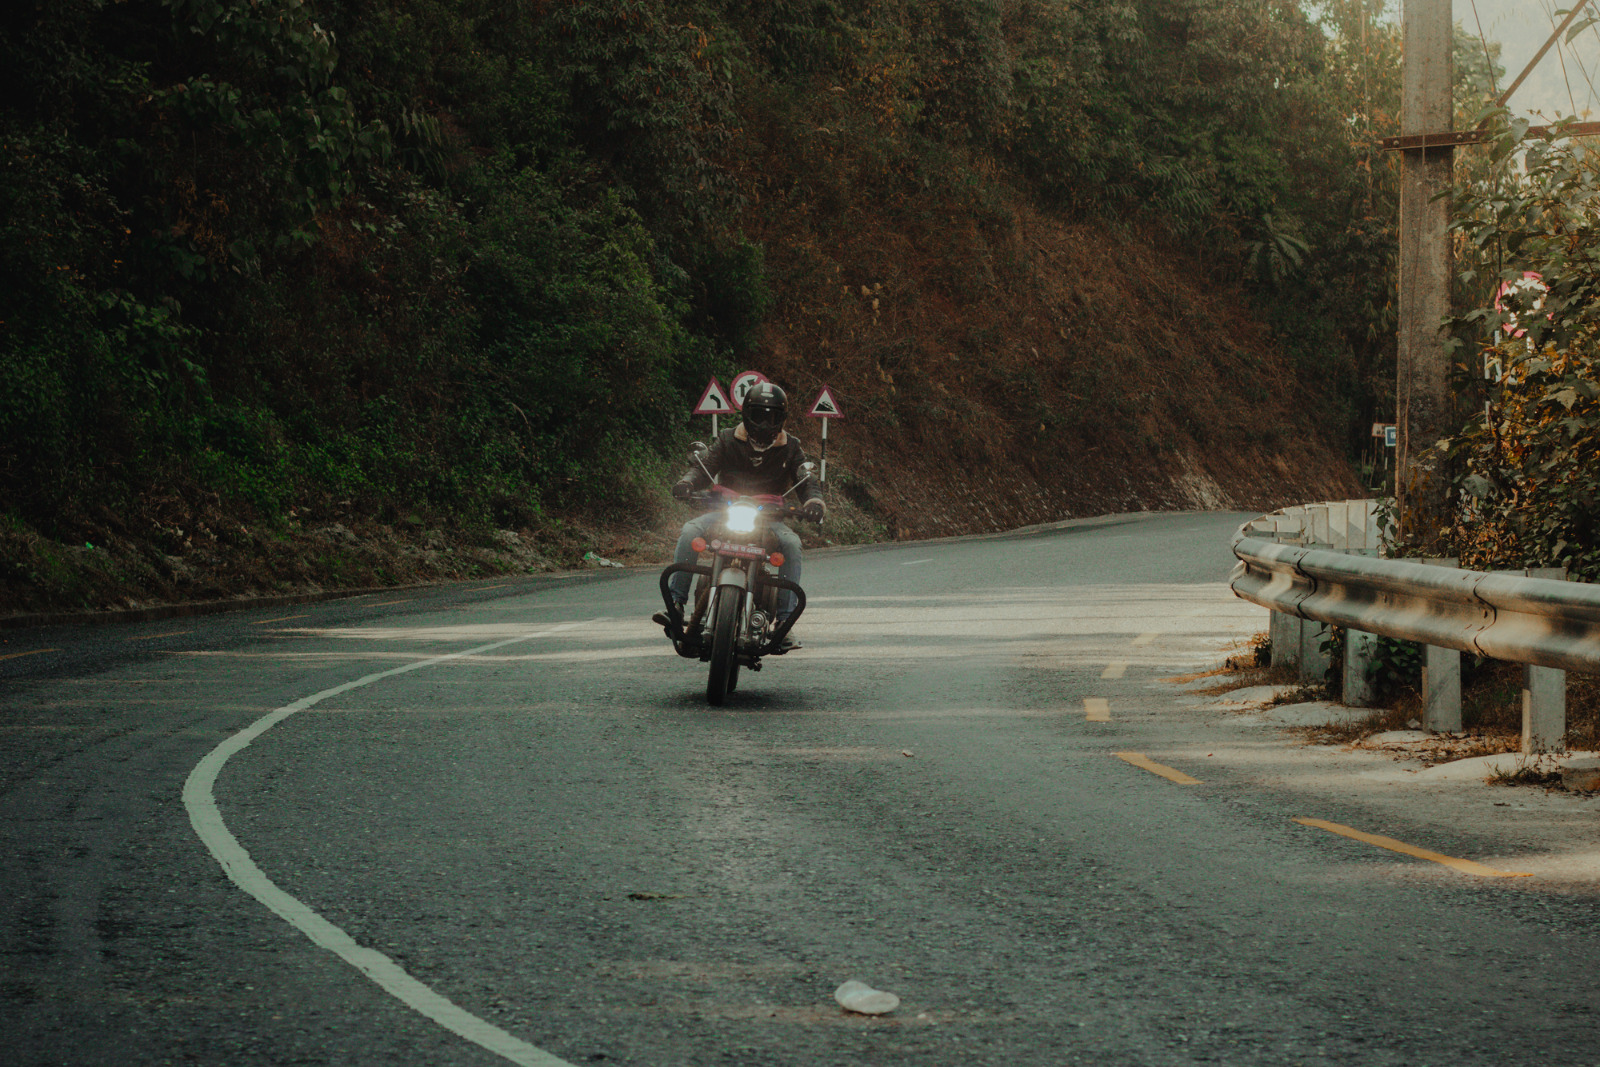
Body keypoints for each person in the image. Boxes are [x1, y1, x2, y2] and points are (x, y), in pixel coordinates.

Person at [655, 381, 825, 650]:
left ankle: (783, 621)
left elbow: (806, 480)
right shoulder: (727, 438)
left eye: (772, 416)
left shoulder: (791, 446)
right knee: (690, 531)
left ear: (781, 419)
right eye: (759, 415)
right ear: (746, 414)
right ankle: (676, 605)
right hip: (724, 512)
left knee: (791, 544)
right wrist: (687, 483)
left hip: (769, 519)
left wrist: (814, 502)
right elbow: (704, 466)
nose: (765, 422)